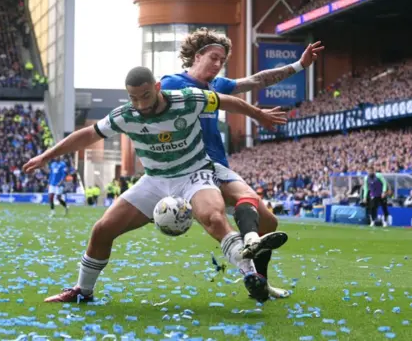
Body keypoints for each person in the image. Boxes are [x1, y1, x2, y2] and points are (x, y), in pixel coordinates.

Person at [22, 66, 288, 303]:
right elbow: (88, 135)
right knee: (102, 229)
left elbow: (225, 101)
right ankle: (83, 289)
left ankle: (250, 275)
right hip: (154, 180)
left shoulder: (188, 99)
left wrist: (257, 114)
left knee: (214, 218)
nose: (139, 103)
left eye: (145, 96)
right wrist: (46, 156)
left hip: (194, 173)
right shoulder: (126, 115)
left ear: (157, 87)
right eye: (133, 97)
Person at [160, 27, 324, 299]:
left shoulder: (216, 86)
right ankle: (248, 252)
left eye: (221, 60)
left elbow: (257, 80)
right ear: (197, 56)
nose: (218, 64)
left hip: (217, 165)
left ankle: (259, 280)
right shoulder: (172, 83)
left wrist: (299, 65)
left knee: (269, 223)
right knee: (218, 220)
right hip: (188, 168)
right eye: (213, 57)